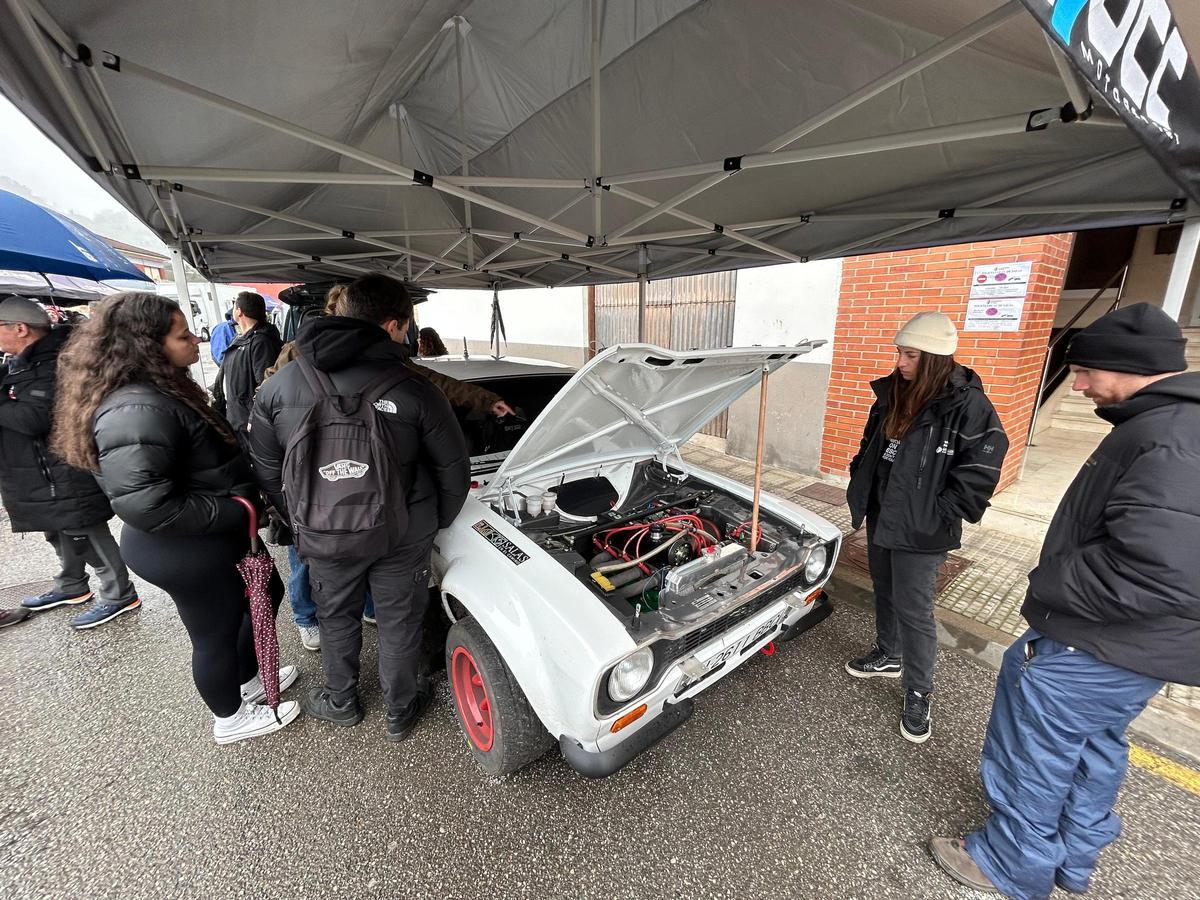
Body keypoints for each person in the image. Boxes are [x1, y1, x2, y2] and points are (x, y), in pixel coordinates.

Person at [931, 303, 1200, 899]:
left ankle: (1008, 863)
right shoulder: (1174, 428)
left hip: (1097, 643)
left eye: (1083, 371)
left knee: (1036, 755)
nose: (1076, 385)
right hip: (1136, 649)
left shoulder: (1168, 439)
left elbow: (1160, 574)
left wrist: (1050, 581)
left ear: (1125, 366)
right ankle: (1074, 859)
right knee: (1093, 746)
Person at [51, 292, 300, 745]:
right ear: (147, 344)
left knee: (265, 593)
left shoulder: (159, 391)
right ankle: (230, 718)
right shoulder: (136, 409)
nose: (196, 342)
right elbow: (146, 503)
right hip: (186, 545)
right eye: (183, 335)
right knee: (216, 631)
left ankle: (248, 679)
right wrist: (239, 509)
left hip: (215, 534)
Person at [250, 273, 470, 742]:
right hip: (403, 530)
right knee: (399, 619)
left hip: (323, 529)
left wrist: (303, 519)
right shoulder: (415, 388)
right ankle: (401, 707)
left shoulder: (280, 384)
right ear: (394, 325)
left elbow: (268, 471)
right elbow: (454, 470)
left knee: (335, 615)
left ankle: (340, 700)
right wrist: (433, 522)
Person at [265, 284, 510, 652]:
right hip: (332, 497)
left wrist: (485, 400)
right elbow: (268, 419)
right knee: (329, 582)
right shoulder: (298, 358)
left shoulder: (388, 363)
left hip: (330, 504)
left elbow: (436, 383)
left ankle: (343, 688)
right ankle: (307, 619)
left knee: (340, 604)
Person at [845, 311, 1008, 743]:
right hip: (884, 510)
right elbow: (870, 441)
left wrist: (941, 510)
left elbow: (981, 471)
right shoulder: (894, 392)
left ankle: (919, 689)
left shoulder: (970, 406)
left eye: (910, 354)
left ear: (935, 358)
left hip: (924, 525)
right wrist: (859, 469)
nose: (900, 362)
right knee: (884, 587)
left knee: (915, 609)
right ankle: (888, 652)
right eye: (900, 352)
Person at [0, 295, 141, 629]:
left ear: (20, 328)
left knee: (85, 529)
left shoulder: (57, 361)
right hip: (34, 467)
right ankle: (71, 584)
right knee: (55, 529)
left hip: (61, 465)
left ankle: (119, 593)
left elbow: (36, 417)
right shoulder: (20, 363)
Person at [212, 291, 282, 445]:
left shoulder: (261, 342)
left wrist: (253, 418)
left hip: (249, 424)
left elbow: (266, 384)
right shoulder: (240, 339)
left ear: (239, 311)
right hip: (236, 417)